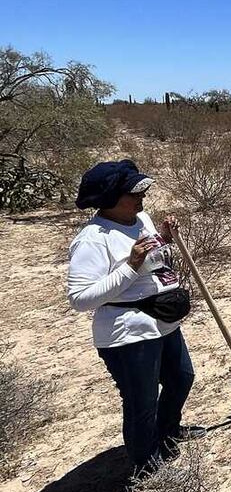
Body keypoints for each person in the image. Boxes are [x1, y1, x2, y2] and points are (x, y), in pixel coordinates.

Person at [67, 160, 200, 475]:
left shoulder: (141, 219)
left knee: (182, 377)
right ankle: (146, 461)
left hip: (162, 320)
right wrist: (130, 266)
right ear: (110, 197)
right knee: (141, 400)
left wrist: (165, 240)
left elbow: (152, 259)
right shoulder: (93, 238)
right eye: (133, 193)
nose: (142, 198)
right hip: (127, 331)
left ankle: (167, 432)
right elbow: (80, 299)